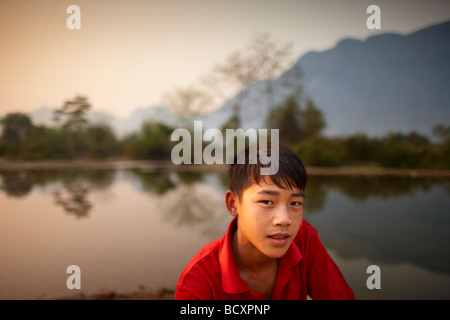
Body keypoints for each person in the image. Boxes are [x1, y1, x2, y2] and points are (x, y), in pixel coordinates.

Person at [175, 144, 355, 300]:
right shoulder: (199, 282)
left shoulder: (303, 239)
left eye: (295, 203)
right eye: (267, 202)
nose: (284, 220)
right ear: (233, 204)